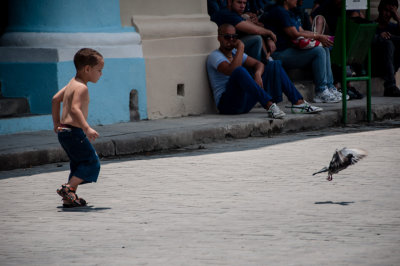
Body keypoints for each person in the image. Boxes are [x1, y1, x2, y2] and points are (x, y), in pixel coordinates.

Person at [206, 24, 323, 118]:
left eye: (234, 37)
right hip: (227, 106)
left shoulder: (235, 53)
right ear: (219, 38)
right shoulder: (215, 56)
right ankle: (270, 106)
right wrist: (241, 47)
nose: (231, 40)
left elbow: (259, 64)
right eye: (227, 37)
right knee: (239, 71)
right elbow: (232, 70)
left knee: (274, 65)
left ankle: (299, 103)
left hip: (245, 103)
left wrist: (257, 74)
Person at [263, 0, 344, 103]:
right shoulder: (279, 11)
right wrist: (318, 36)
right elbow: (295, 34)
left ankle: (330, 86)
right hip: (279, 53)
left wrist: (320, 38)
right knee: (318, 51)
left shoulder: (290, 12)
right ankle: (321, 91)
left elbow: (301, 31)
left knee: (324, 47)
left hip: (291, 50)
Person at [51, 48, 104, 208]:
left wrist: (56, 123)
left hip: (63, 132)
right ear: (87, 69)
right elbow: (75, 109)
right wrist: (87, 128)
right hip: (74, 132)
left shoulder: (71, 83)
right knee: (91, 162)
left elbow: (55, 99)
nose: (100, 74)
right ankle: (67, 189)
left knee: (77, 164)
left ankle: (69, 198)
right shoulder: (82, 88)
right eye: (99, 70)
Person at [212, 0, 277, 63]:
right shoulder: (226, 14)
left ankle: (267, 61)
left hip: (233, 47)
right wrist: (270, 33)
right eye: (239, 2)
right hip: (223, 49)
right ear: (229, 2)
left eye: (244, 3)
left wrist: (268, 38)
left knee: (257, 36)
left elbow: (257, 28)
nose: (242, 6)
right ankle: (259, 66)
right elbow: (256, 30)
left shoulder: (235, 14)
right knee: (256, 39)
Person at [372, 0, 400, 97]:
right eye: (386, 10)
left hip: (390, 68)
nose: (388, 14)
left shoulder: (394, 27)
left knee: (393, 39)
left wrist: (397, 17)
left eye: (391, 12)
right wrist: (380, 37)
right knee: (388, 43)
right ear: (379, 9)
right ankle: (390, 86)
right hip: (375, 66)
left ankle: (391, 84)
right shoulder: (372, 26)